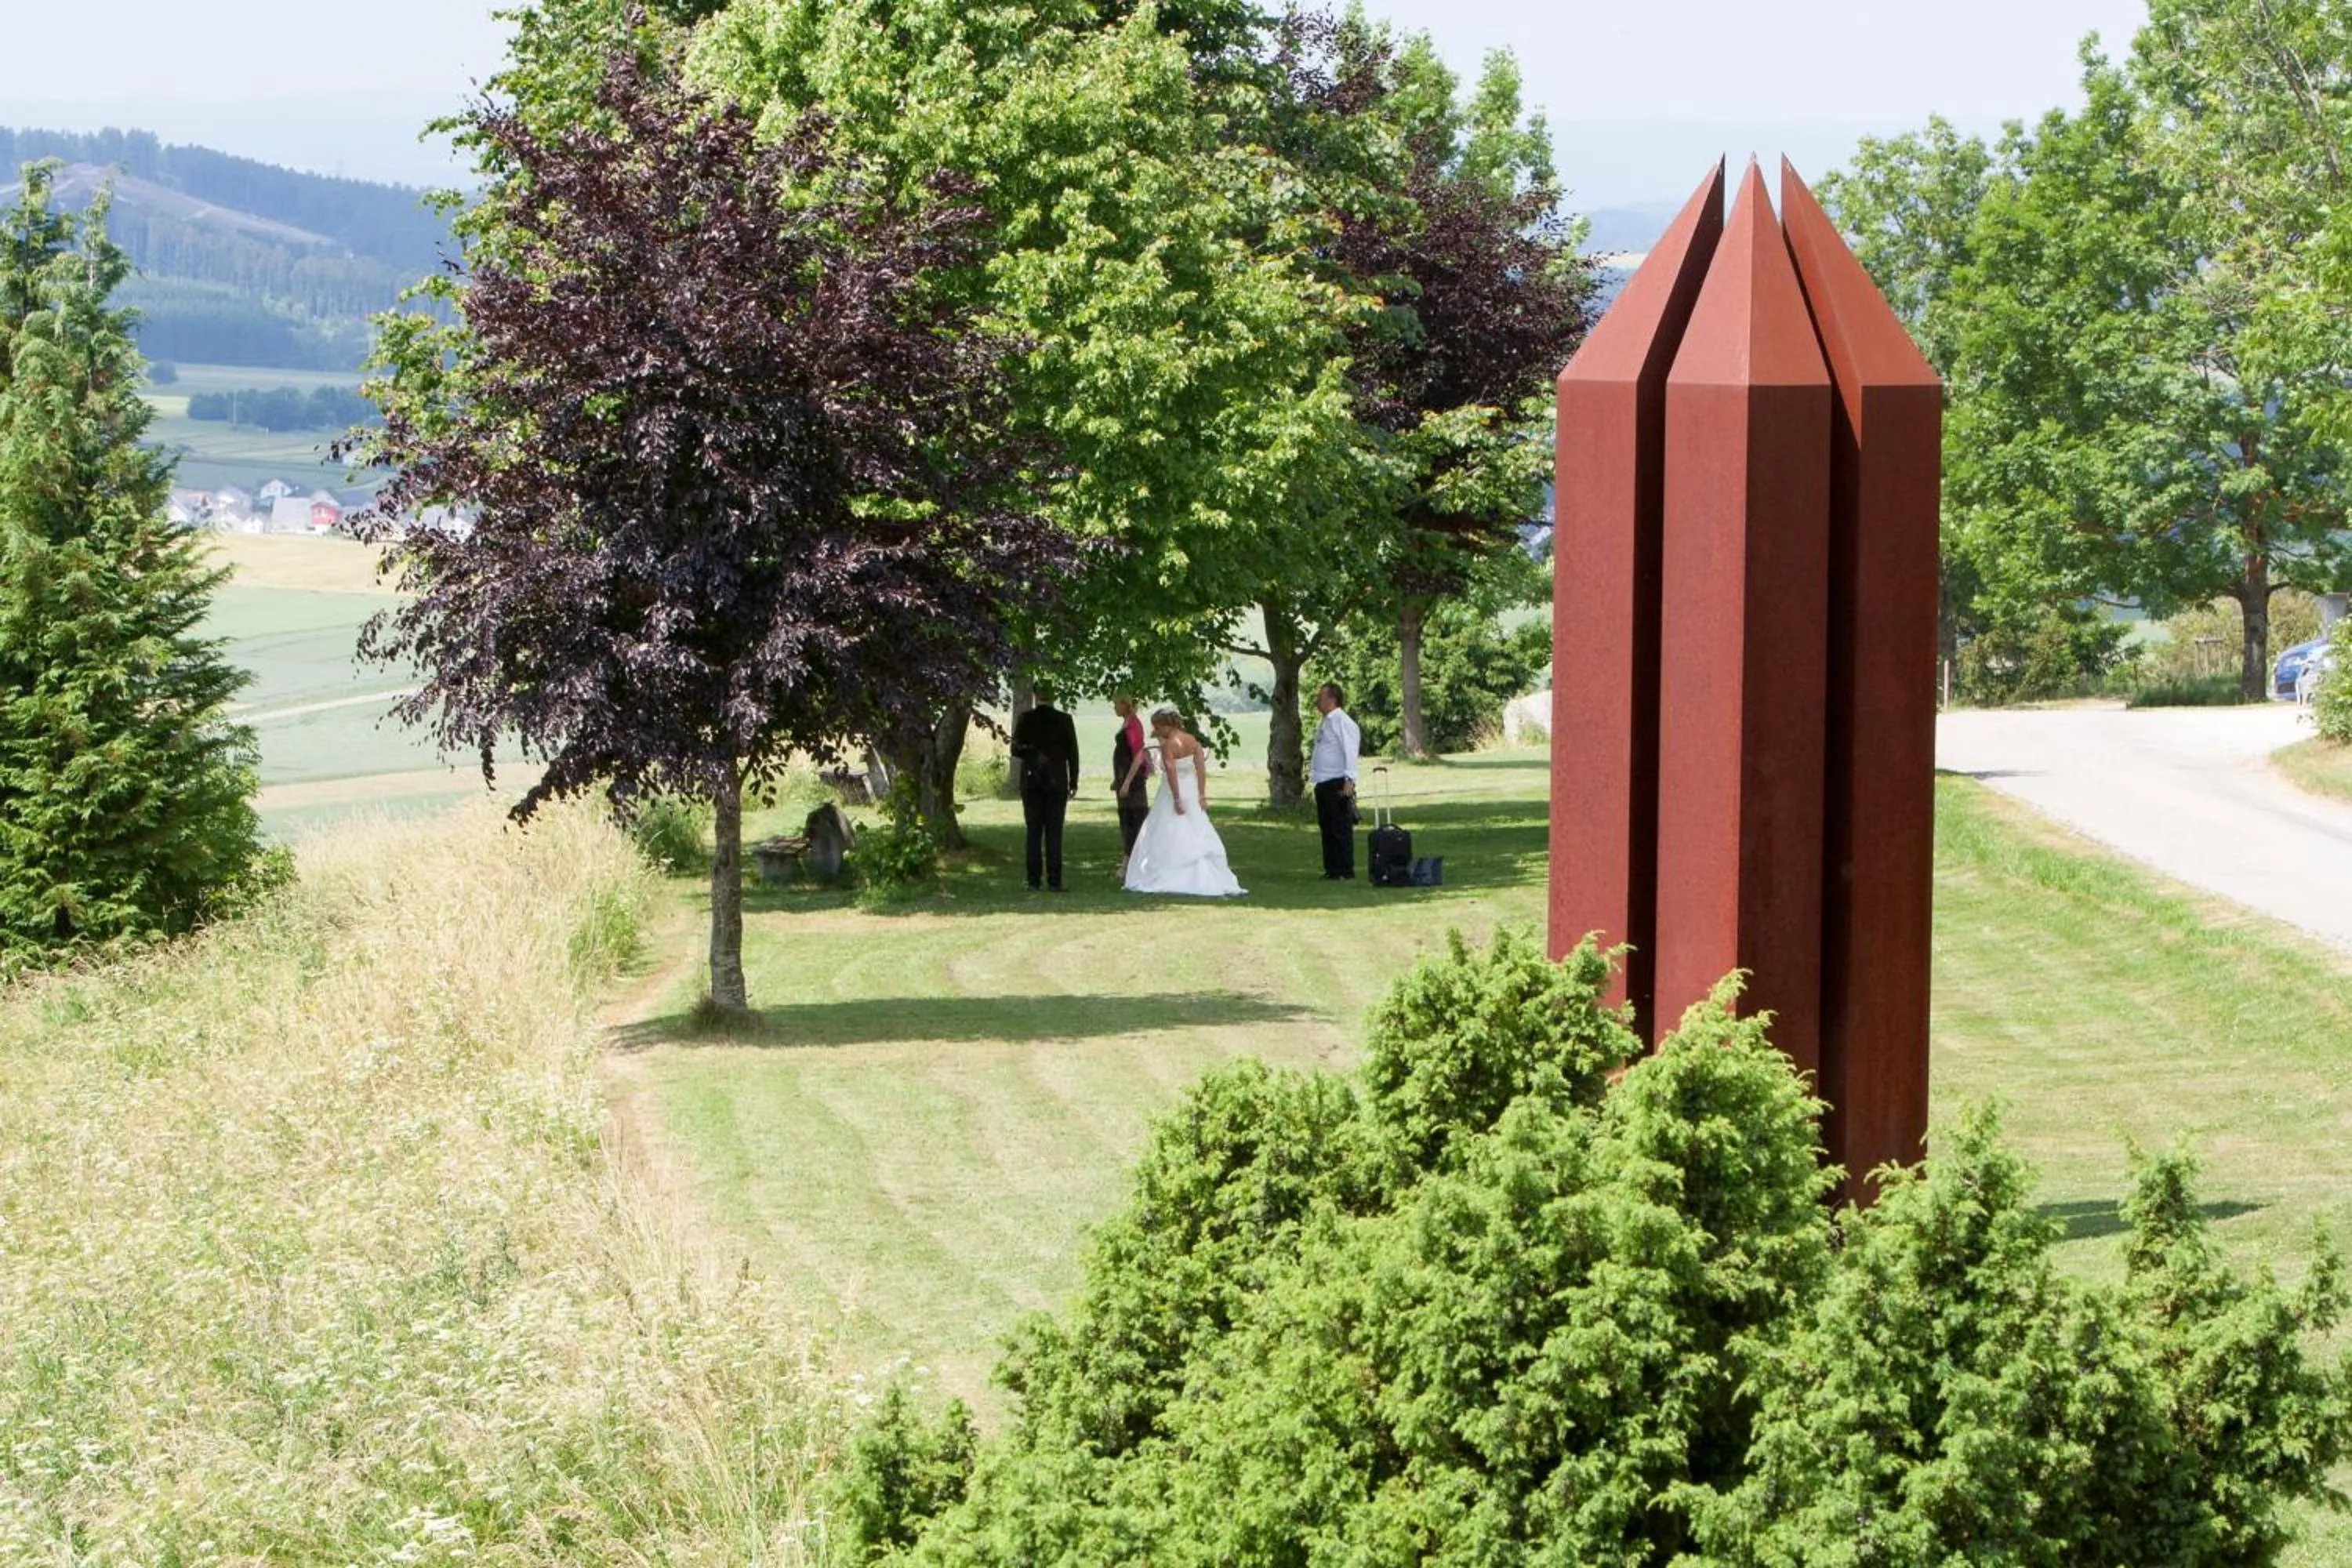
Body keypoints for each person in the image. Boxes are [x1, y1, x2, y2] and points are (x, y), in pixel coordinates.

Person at [1121, 707, 1244, 897]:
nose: (1157, 731)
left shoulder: (1169, 745)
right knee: (1194, 826)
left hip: (1174, 791)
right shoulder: (1192, 740)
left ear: (1168, 725)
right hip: (1192, 788)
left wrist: (1177, 798)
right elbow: (1200, 769)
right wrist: (1201, 794)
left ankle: (1170, 873)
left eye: (1158, 727)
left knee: (1167, 827)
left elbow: (1171, 772)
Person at [1009, 685, 1080, 891]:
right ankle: (1055, 880)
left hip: (1031, 781)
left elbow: (1015, 749)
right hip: (1057, 781)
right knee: (1054, 832)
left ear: (1035, 696)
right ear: (1053, 696)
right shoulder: (1064, 720)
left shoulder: (1026, 719)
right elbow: (1073, 753)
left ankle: (1033, 880)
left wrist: (1033, 754)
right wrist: (1073, 781)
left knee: (1033, 831)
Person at [1308, 681, 1361, 880]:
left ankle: (1345, 869)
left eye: (1321, 697)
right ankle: (1332, 868)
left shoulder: (1341, 721)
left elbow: (1350, 749)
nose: (1317, 701)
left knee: (1340, 828)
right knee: (1328, 827)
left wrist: (1350, 778)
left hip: (1337, 780)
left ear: (1332, 699)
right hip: (1323, 781)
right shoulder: (1326, 722)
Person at [1109, 695, 1152, 878]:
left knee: (1133, 820)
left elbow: (1138, 755)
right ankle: (1128, 862)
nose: (1114, 708)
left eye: (1116, 704)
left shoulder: (1134, 725)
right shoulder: (1127, 723)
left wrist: (1127, 781)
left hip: (1132, 782)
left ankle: (1131, 864)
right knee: (1126, 820)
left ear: (1125, 704)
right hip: (1123, 778)